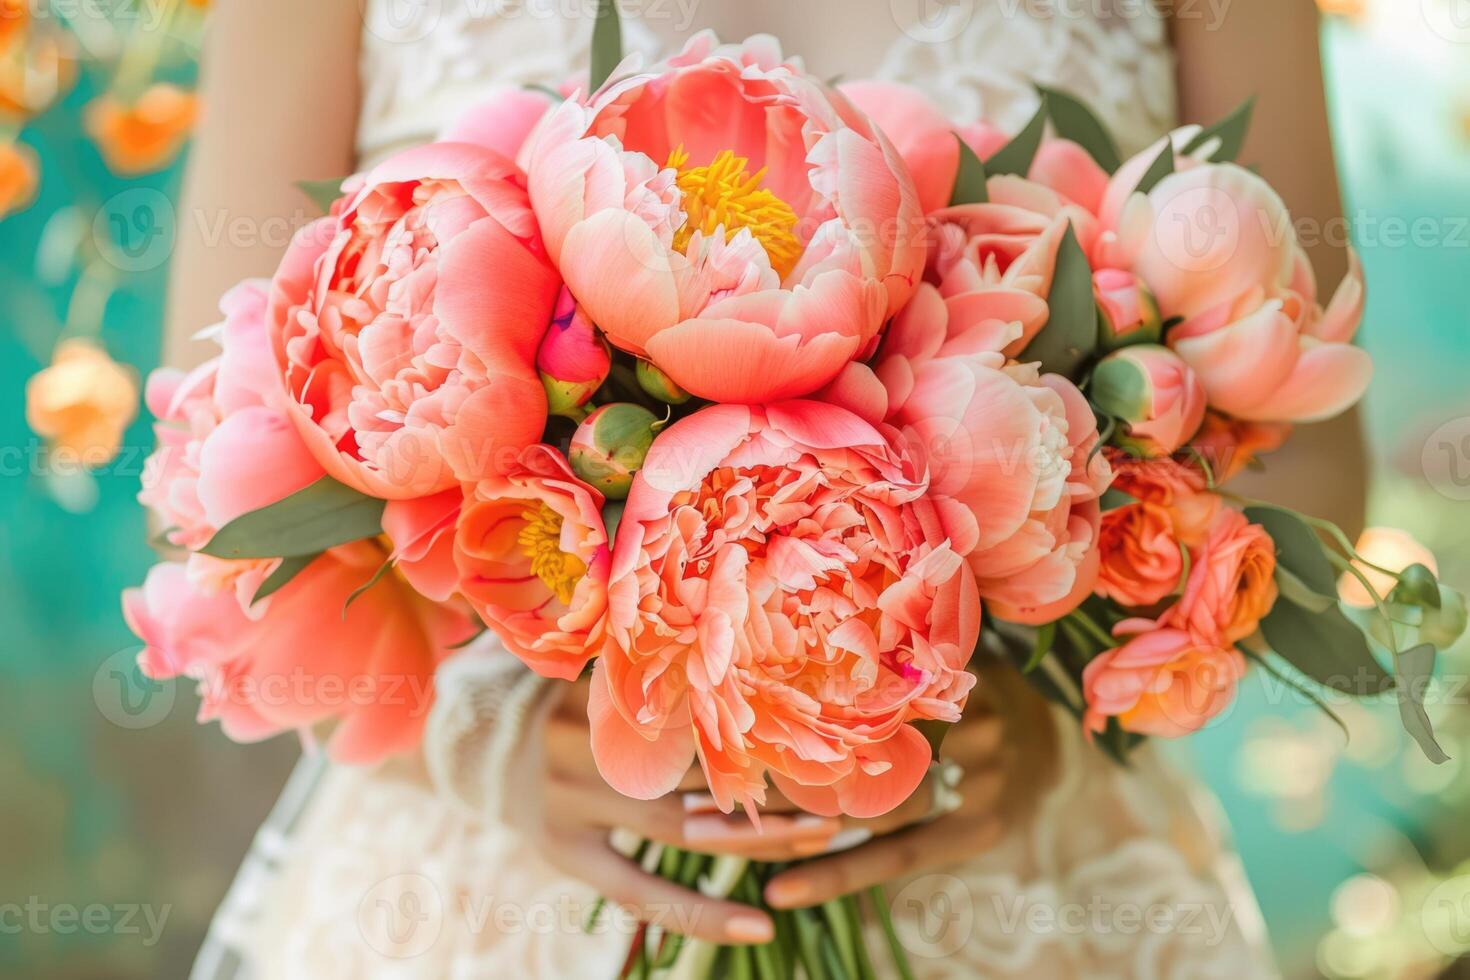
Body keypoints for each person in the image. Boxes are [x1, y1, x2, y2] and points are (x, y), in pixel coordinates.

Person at [173, 2, 1364, 976]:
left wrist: (1058, 722)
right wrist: (484, 743)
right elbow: (208, 468)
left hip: (1023, 876)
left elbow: (1314, 458)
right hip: (494, 891)